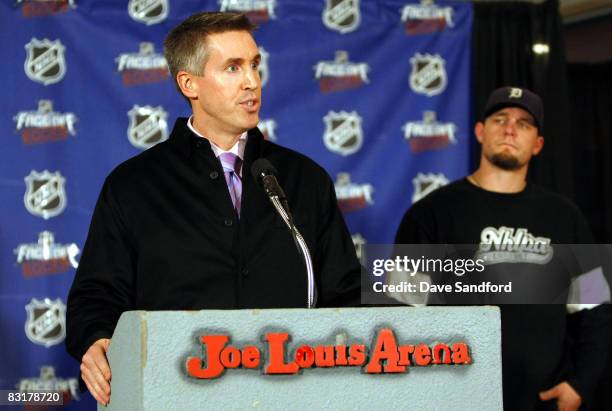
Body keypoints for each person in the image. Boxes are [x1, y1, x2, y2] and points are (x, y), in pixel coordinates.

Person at [66, 12, 361, 406]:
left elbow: (345, 291)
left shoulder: (304, 179)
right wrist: (96, 339)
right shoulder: (134, 185)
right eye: (232, 68)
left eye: (255, 65)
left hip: (293, 395)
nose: (251, 82)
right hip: (174, 394)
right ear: (189, 84)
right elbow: (96, 294)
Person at [394, 86, 612, 411]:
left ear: (537, 144)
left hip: (544, 400)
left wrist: (581, 384)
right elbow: (400, 310)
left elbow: (594, 307)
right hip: (454, 398)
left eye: (524, 123)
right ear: (480, 131)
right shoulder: (430, 214)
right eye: (500, 119)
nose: (510, 129)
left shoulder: (566, 218)